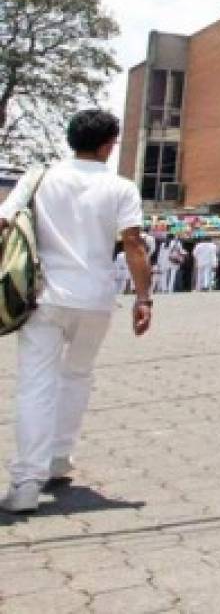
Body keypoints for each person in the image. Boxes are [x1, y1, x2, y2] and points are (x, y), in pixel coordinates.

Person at [0, 109, 152, 514]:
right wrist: (143, 298)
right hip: (96, 300)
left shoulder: (38, 177)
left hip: (43, 297)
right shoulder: (121, 187)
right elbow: (134, 244)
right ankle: (59, 457)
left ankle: (26, 482)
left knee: (36, 385)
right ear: (108, 144)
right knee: (77, 375)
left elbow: (4, 221)